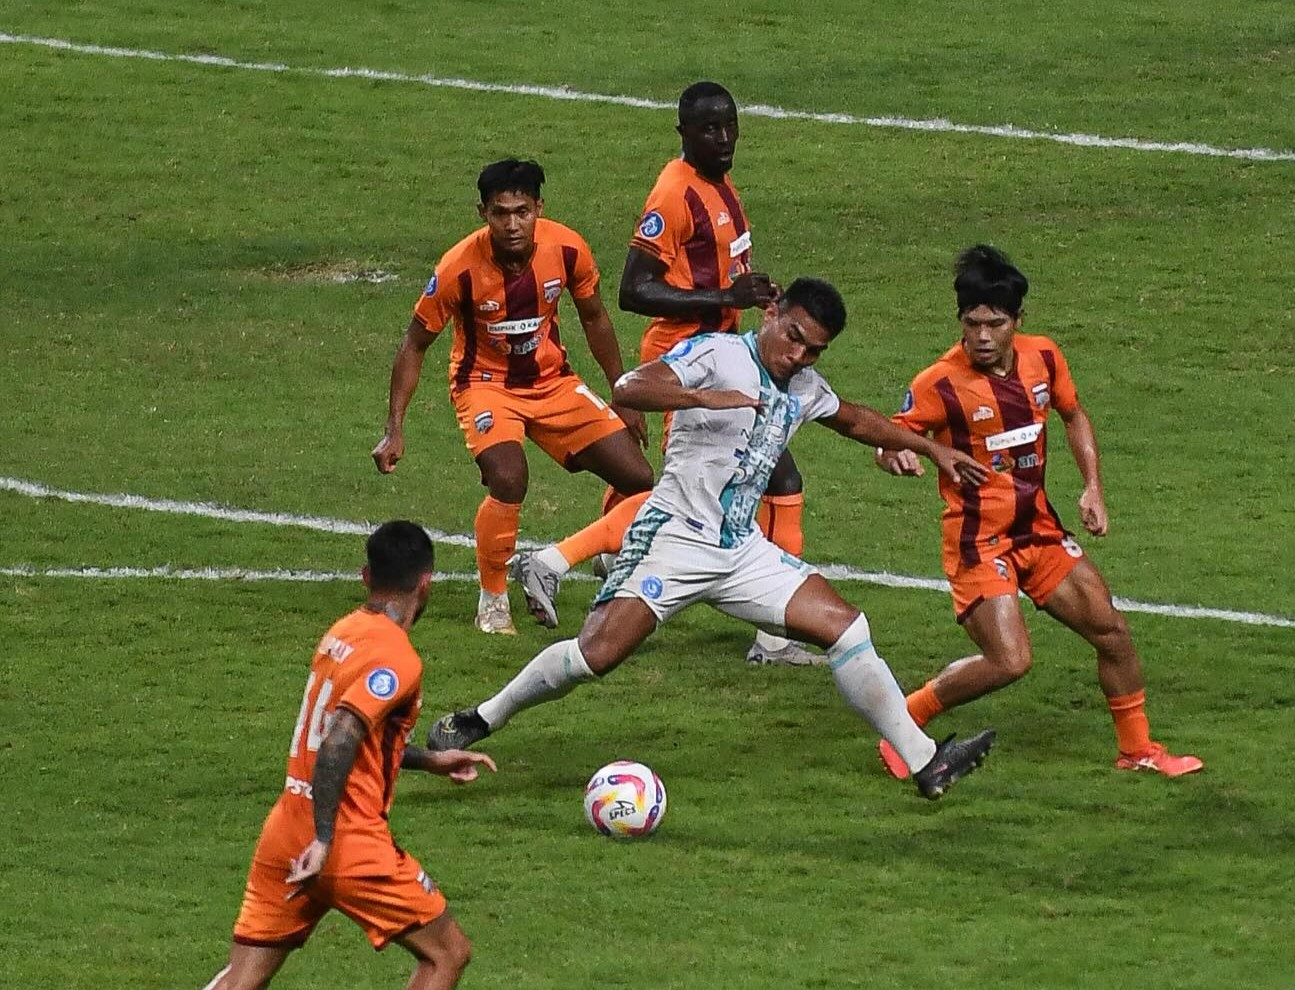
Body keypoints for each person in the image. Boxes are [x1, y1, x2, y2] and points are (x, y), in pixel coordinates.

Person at [428, 278, 998, 800]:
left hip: (741, 551)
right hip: (673, 539)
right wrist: (702, 397)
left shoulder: (804, 386)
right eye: (793, 337)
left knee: (847, 628)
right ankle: (482, 717)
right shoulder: (718, 355)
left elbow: (853, 419)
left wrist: (931, 449)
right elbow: (630, 387)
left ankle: (926, 762)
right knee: (593, 657)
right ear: (771, 314)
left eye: (813, 351)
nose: (797, 356)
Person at [508, 82, 814, 665]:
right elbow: (634, 290)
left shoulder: (720, 184)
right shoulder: (675, 194)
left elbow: (712, 269)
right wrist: (725, 296)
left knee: (756, 481)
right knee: (723, 488)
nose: (723, 138)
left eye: (729, 126)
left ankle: (573, 559)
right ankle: (555, 560)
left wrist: (748, 294)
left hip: (722, 354)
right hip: (689, 363)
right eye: (709, 128)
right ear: (683, 133)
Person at [873, 245, 1203, 778]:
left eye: (995, 324)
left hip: (1038, 531)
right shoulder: (939, 383)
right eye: (972, 324)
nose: (982, 336)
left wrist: (1093, 487)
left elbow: (1073, 415)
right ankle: (904, 722)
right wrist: (898, 456)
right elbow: (890, 437)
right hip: (979, 542)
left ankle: (1138, 750)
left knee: (1113, 632)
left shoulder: (1044, 357)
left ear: (1018, 321)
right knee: (1010, 661)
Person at [201, 521, 498, 990]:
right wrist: (324, 839)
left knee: (244, 976)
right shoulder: (396, 657)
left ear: (366, 577)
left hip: (286, 828)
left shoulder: (342, 632)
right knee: (447, 954)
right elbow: (339, 739)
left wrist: (429, 760)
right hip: (346, 840)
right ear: (426, 583)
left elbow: (357, 739)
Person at [371, 159, 653, 634]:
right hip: (485, 387)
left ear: (539, 207)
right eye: (501, 213)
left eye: (522, 211)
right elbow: (414, 344)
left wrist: (621, 391)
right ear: (483, 213)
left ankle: (608, 552)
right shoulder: (458, 268)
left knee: (639, 478)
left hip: (553, 382)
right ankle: (494, 597)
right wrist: (394, 428)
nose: (512, 224)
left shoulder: (568, 249)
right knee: (508, 477)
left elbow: (595, 318)